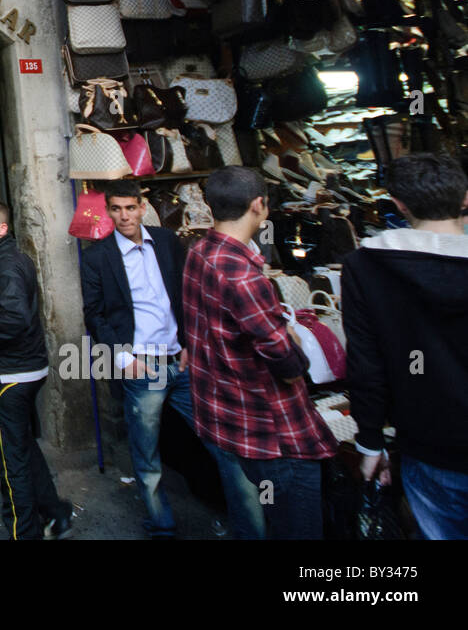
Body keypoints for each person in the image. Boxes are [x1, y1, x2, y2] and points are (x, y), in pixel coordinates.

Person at [81, 180, 263, 539]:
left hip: (180, 362)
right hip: (141, 366)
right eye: (115, 209)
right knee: (147, 458)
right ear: (108, 210)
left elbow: (186, 296)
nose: (123, 216)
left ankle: (251, 529)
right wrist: (122, 359)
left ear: (141, 206)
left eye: (130, 208)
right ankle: (162, 525)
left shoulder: (166, 242)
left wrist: (189, 345)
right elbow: (95, 314)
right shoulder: (97, 257)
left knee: (224, 445)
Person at [183, 166, 336, 540]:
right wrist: (291, 337)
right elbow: (289, 364)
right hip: (272, 433)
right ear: (259, 205)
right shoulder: (243, 276)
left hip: (228, 419)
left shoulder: (198, 252)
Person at [342, 153, 468, 539]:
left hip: (431, 444)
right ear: (465, 199)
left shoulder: (365, 266)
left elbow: (366, 363)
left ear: (398, 204)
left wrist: (370, 442)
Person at [0, 198, 71, 539]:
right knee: (22, 445)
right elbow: (9, 286)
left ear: (3, 227)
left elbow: (15, 317)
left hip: (10, 374)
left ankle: (24, 531)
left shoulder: (5, 264)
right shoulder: (6, 258)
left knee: (10, 462)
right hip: (28, 368)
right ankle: (56, 514)